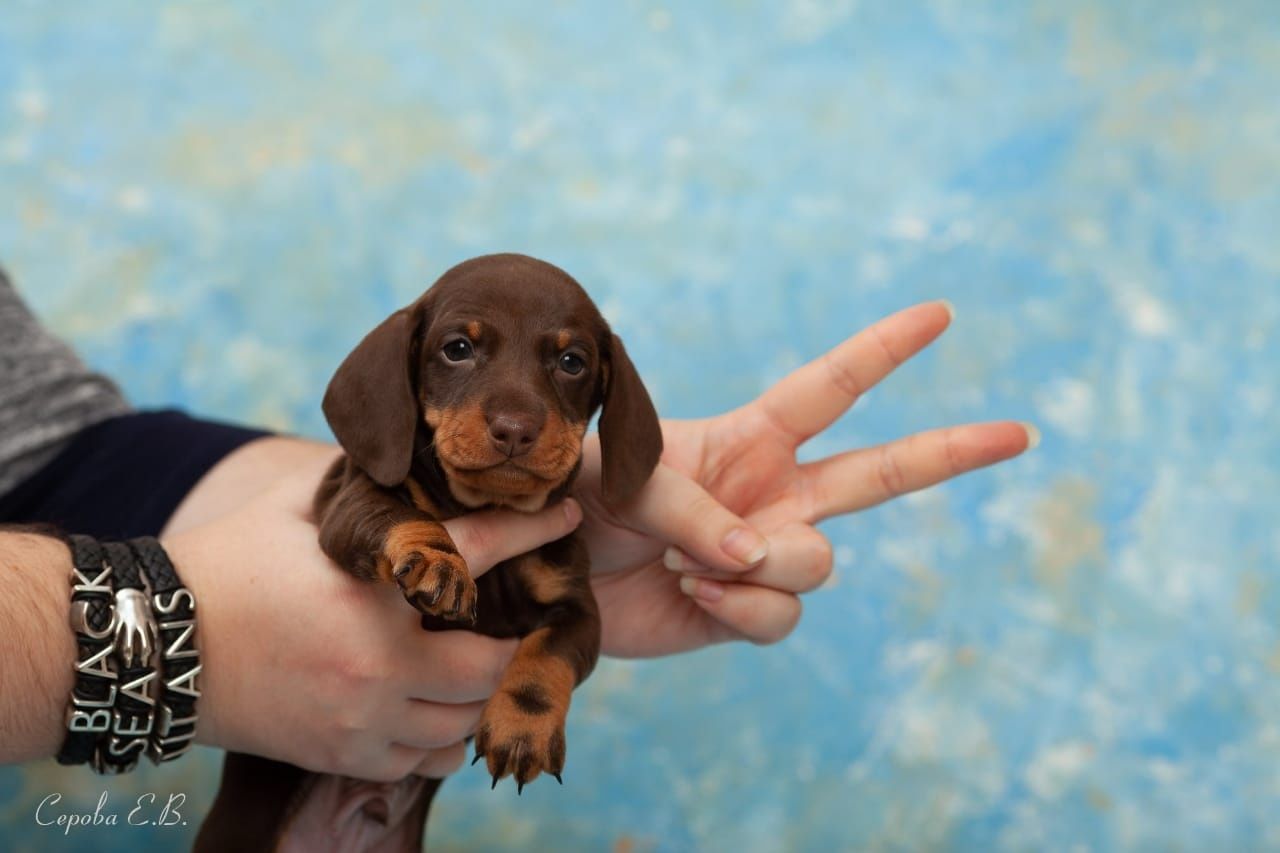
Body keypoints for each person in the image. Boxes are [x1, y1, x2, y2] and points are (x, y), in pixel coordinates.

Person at [0, 269, 1035, 782]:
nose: (514, 410)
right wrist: (175, 639)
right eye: (462, 351)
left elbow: (56, 450)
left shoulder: (558, 523)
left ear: (601, 403)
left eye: (565, 367)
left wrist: (254, 596)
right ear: (404, 372)